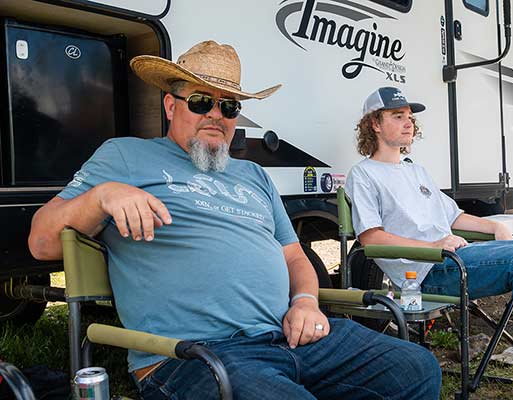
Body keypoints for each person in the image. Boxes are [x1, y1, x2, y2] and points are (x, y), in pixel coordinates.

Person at [28, 44, 441, 399]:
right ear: (171, 105)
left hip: (290, 336)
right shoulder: (126, 157)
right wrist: (103, 196)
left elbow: (295, 257)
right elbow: (42, 241)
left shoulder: (254, 175)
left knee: (417, 367)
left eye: (228, 106)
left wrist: (305, 302)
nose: (216, 115)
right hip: (193, 355)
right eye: (201, 101)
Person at [345, 86, 513, 400]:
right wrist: (433, 246)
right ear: (375, 123)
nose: (409, 123)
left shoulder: (416, 171)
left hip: (456, 257)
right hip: (426, 274)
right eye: (398, 116)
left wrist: (494, 226)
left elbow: (454, 217)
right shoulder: (364, 175)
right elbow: (370, 237)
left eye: (410, 117)